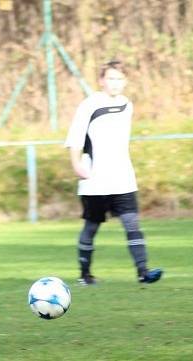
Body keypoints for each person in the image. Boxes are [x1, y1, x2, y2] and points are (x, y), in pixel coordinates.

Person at [64, 60, 163, 286]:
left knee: (132, 223)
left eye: (119, 79)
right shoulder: (89, 104)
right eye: (110, 78)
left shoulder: (127, 104)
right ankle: (85, 275)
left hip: (122, 178)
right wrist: (76, 164)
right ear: (101, 81)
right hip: (94, 179)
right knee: (91, 226)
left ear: (125, 81)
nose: (115, 83)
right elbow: (76, 137)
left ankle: (143, 272)